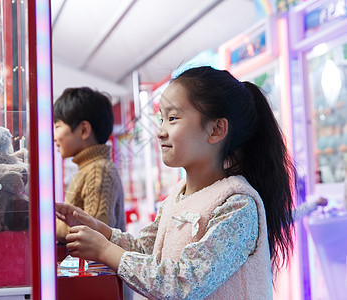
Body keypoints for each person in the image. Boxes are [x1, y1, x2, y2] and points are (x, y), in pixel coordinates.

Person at [56, 66, 296, 299]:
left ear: (216, 130)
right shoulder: (178, 196)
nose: (160, 131)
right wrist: (103, 233)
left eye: (172, 118)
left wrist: (105, 250)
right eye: (161, 119)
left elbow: (183, 283)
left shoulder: (238, 205)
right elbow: (149, 248)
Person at [53, 87, 126, 244]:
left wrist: (49, 226)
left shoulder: (98, 170)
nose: (54, 137)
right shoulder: (91, 168)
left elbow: (93, 231)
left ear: (84, 130)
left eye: (58, 126)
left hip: (96, 269)